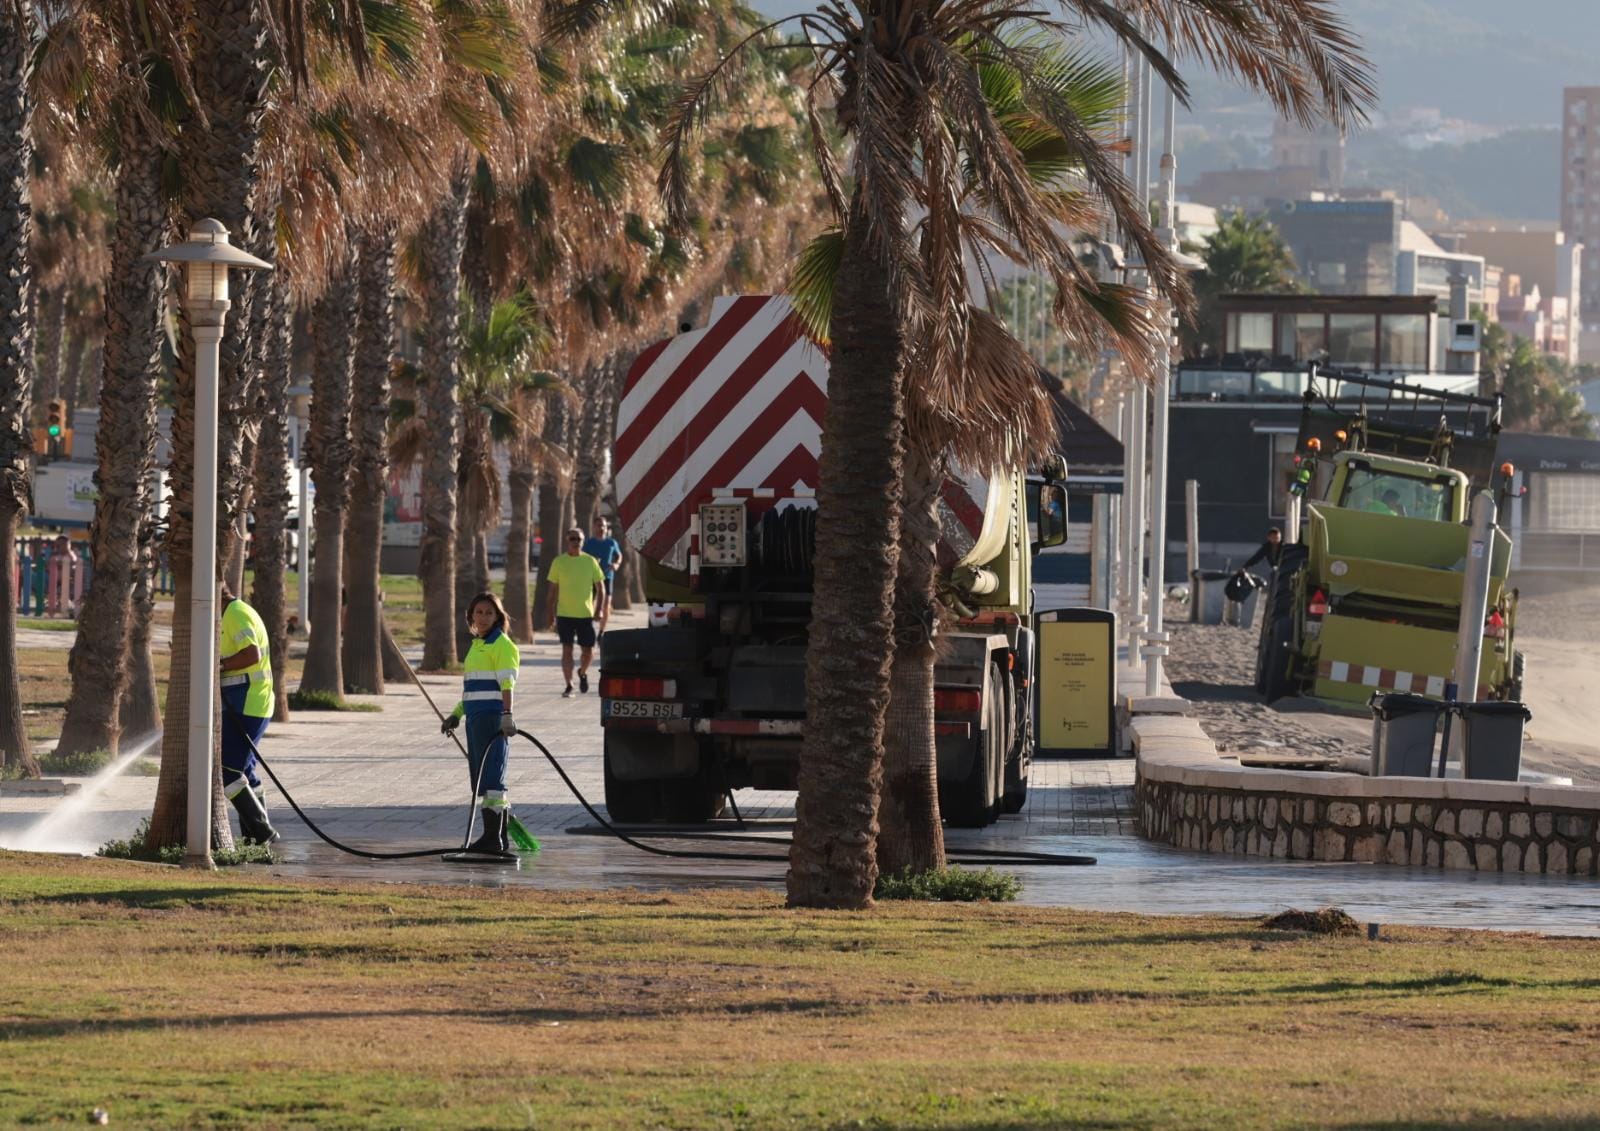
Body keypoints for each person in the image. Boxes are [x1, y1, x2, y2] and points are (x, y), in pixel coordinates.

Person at [440, 592, 521, 855]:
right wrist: (456, 714)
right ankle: (499, 836)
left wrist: (507, 714)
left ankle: (492, 838)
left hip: (493, 719)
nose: (483, 617)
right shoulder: (477, 646)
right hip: (475, 719)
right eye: (479, 612)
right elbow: (472, 689)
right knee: (482, 780)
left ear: (497, 616)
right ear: (471, 616)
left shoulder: (502, 645)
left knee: (493, 777)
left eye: (489, 613)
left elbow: (507, 683)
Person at [219, 582, 278, 845]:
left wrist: (219, 665)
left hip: (248, 701)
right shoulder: (235, 612)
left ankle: (263, 832)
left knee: (227, 771)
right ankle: (253, 840)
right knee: (245, 770)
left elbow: (251, 654)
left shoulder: (235, 613)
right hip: (251, 701)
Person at [545, 527, 605, 698]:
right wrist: (550, 614)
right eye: (573, 539)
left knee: (589, 651)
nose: (576, 542)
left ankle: (582, 672)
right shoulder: (559, 562)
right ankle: (569, 685)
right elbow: (552, 591)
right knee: (567, 649)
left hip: (586, 614)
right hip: (564, 614)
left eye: (579, 539)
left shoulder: (590, 561)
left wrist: (599, 609)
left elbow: (600, 587)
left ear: (583, 541)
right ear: (567, 540)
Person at [581, 517, 624, 638]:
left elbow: (619, 556)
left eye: (603, 526)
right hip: (591, 578)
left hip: (607, 576)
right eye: (598, 525)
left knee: (606, 605)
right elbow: (581, 557)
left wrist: (616, 564)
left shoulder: (611, 543)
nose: (601, 528)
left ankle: (601, 632)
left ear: (606, 528)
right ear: (594, 527)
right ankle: (589, 628)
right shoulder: (589, 543)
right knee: (591, 604)